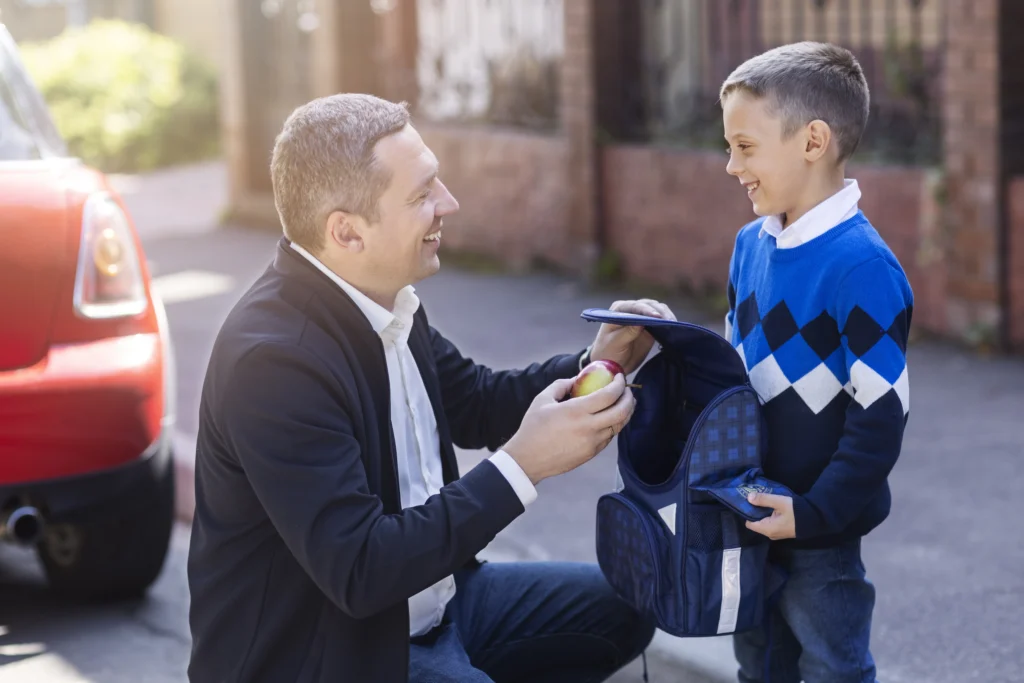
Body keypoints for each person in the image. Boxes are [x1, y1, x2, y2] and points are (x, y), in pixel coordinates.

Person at [186, 93, 662, 683]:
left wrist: (600, 359)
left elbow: (477, 401)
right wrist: (523, 467)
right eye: (422, 195)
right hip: (330, 654)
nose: (449, 204)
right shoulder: (274, 362)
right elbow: (362, 570)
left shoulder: (385, 299)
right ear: (347, 233)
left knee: (627, 603)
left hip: (439, 606)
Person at [718, 42, 913, 683]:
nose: (730, 165)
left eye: (745, 147)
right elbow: (733, 372)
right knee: (758, 665)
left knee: (834, 668)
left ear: (813, 141)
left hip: (819, 537)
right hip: (748, 516)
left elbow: (880, 419)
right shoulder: (750, 245)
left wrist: (815, 513)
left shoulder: (863, 269)